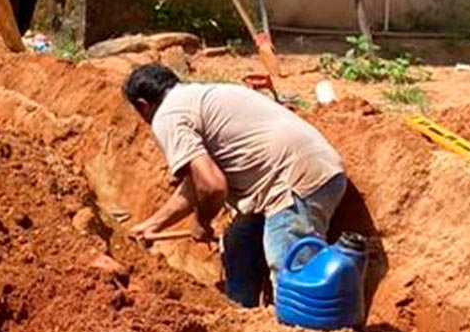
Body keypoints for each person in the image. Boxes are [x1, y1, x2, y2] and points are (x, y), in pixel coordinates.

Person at [122, 64, 347, 308]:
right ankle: (240, 316)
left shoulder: (167, 116)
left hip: (292, 185)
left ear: (143, 105)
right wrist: (153, 225)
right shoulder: (198, 96)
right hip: (311, 169)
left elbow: (212, 187)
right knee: (238, 241)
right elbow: (196, 184)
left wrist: (202, 222)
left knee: (291, 278)